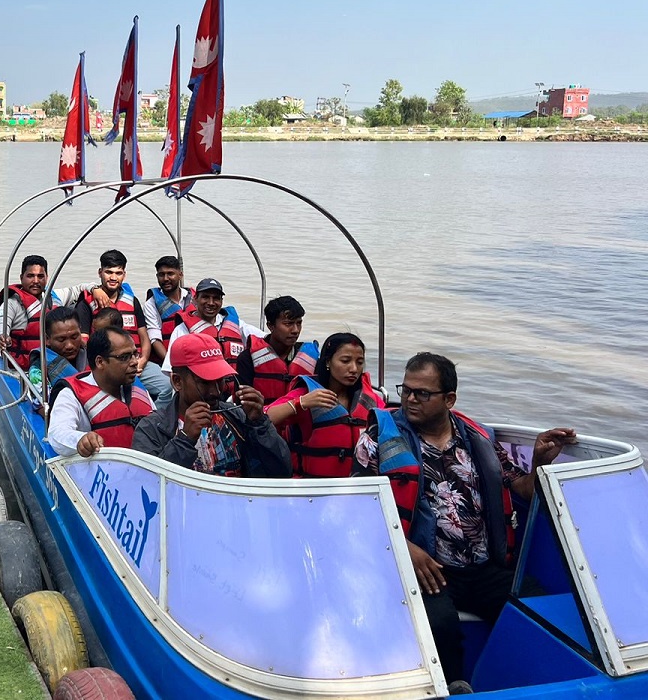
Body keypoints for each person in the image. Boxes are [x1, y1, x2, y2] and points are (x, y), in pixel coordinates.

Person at [352, 352, 577, 692]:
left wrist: (540, 465)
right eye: (407, 389)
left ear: (449, 399)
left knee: (540, 610)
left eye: (422, 393)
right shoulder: (377, 439)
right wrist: (404, 547)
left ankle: (518, 683)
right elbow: (354, 509)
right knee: (438, 625)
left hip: (485, 568)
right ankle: (452, 686)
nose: (410, 399)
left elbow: (521, 489)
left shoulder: (478, 439)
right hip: (426, 568)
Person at [133, 333, 291, 478]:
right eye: (205, 382)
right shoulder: (151, 428)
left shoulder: (237, 416)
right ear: (177, 381)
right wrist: (185, 439)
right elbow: (147, 485)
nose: (215, 391)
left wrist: (260, 424)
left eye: (220, 380)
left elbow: (282, 471)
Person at [266, 332, 385, 477]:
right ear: (328, 362)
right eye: (345, 361)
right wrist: (302, 403)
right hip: (311, 489)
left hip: (356, 490)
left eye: (359, 362)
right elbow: (263, 419)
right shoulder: (306, 394)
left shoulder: (370, 400)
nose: (354, 369)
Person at [75, 249, 171, 407]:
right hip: (108, 365)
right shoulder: (87, 303)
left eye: (118, 273)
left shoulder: (132, 301)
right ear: (100, 272)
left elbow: (144, 337)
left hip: (136, 362)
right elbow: (84, 341)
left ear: (124, 275)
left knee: (169, 386)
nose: (113, 278)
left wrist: (143, 360)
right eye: (109, 272)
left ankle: (153, 423)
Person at [46, 327, 153, 458]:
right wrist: (81, 439)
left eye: (135, 355)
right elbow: (57, 434)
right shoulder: (70, 395)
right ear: (100, 362)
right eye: (124, 357)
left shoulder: (137, 388)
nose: (134, 362)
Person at [0, 256, 111, 370]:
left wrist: (95, 289)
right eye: (30, 276)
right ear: (21, 277)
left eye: (40, 276)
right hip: (25, 367)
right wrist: (2, 337)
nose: (35, 281)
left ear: (46, 277)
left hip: (58, 363)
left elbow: (80, 288)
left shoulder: (54, 296)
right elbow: (1, 324)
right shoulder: (12, 304)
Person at [236, 295, 319, 404]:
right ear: (271, 326)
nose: (295, 330)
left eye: (299, 323)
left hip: (300, 418)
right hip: (262, 418)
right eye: (288, 323)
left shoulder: (311, 359)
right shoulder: (247, 359)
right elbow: (241, 404)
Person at [163, 278, 252, 368]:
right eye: (205, 297)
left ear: (221, 301)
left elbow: (263, 339)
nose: (211, 303)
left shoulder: (236, 325)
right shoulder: (182, 330)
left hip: (235, 380)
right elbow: (170, 369)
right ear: (195, 299)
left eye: (216, 298)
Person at [27, 306, 88, 400]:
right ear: (47, 339)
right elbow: (43, 407)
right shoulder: (39, 368)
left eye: (74, 337)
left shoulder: (93, 354)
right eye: (61, 339)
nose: (69, 345)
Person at [143, 255, 194, 364]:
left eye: (170, 274)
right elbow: (155, 339)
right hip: (168, 358)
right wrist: (170, 364)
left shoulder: (194, 298)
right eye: (161, 275)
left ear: (180, 275)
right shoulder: (151, 304)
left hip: (195, 354)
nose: (166, 279)